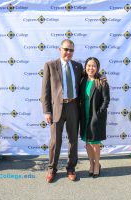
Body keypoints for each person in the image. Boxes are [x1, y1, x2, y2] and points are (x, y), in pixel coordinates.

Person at [41, 39, 83, 183]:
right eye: (66, 49)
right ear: (60, 49)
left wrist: (100, 77)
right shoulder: (50, 65)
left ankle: (71, 168)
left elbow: (86, 81)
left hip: (73, 106)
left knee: (73, 139)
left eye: (71, 50)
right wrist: (47, 111)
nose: (68, 53)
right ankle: (52, 169)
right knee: (55, 141)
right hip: (56, 108)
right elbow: (45, 90)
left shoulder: (78, 67)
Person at [79, 57, 110, 178]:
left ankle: (97, 165)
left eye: (93, 66)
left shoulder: (101, 81)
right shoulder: (82, 80)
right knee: (87, 142)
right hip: (84, 116)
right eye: (89, 65)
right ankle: (91, 164)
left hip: (96, 117)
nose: (91, 68)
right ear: (85, 67)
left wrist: (98, 113)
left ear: (97, 68)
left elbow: (106, 100)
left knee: (95, 143)